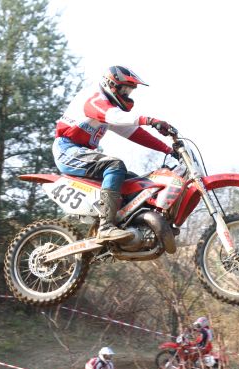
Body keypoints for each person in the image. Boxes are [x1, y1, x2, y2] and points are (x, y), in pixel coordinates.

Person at [53, 65, 177, 243]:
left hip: (81, 152)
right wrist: (150, 120)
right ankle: (106, 227)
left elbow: (134, 133)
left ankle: (130, 226)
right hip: (67, 150)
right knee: (114, 165)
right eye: (125, 89)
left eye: (130, 91)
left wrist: (168, 150)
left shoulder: (109, 109)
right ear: (111, 84)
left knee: (136, 182)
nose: (127, 94)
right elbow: (115, 116)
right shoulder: (95, 99)